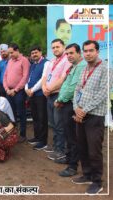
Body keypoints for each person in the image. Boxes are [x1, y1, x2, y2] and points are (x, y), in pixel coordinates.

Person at [71, 40, 108, 194]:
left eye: (91, 50)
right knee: (82, 147)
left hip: (95, 116)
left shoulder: (106, 68)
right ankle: (87, 174)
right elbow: (77, 90)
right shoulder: (84, 69)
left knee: (94, 150)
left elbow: (102, 94)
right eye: (85, 51)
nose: (87, 53)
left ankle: (97, 181)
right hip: (80, 114)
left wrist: (83, 110)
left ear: (97, 51)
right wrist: (76, 108)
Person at [54, 43, 85, 176]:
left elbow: (73, 88)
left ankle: (72, 166)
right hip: (66, 104)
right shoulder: (74, 67)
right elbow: (66, 85)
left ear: (79, 53)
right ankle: (68, 158)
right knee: (68, 134)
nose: (69, 56)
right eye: (67, 54)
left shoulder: (82, 67)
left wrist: (60, 100)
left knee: (73, 137)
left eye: (71, 53)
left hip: (72, 105)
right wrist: (60, 99)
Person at [41, 38, 71, 161]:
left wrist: (49, 89)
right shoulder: (52, 61)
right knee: (53, 123)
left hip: (58, 95)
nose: (55, 49)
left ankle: (61, 151)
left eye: (57, 47)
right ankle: (56, 147)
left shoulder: (67, 60)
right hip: (49, 95)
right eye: (53, 47)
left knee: (59, 125)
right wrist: (44, 88)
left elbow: (63, 79)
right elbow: (45, 77)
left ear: (63, 47)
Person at [3, 43, 30, 143]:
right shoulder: (10, 61)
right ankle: (13, 133)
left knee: (21, 113)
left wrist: (15, 90)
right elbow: (5, 76)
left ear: (17, 50)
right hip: (9, 91)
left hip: (19, 92)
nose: (10, 55)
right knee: (11, 113)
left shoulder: (24, 60)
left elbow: (25, 77)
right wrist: (6, 89)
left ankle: (22, 135)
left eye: (12, 52)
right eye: (9, 53)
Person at [25, 46, 50, 150]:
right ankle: (37, 137)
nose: (34, 54)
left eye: (36, 52)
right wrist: (26, 88)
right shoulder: (33, 65)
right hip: (32, 95)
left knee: (42, 118)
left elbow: (42, 80)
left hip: (40, 95)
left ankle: (43, 141)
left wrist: (32, 90)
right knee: (35, 117)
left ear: (40, 52)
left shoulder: (46, 63)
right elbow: (29, 78)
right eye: (32, 53)